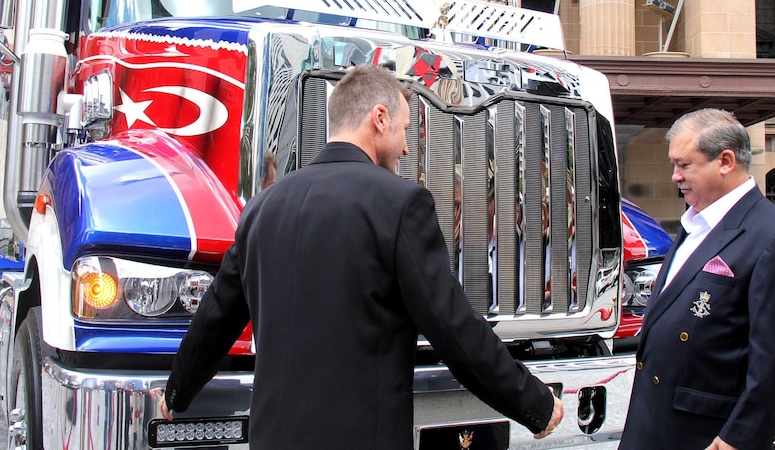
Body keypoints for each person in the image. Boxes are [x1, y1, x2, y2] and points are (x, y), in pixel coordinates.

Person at [156, 65, 563, 449]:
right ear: (379, 118)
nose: (406, 146)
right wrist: (535, 404)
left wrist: (177, 392)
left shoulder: (263, 207)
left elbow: (215, 317)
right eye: (405, 129)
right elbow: (454, 329)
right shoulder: (402, 203)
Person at [619, 108, 775, 450]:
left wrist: (740, 437)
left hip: (711, 435)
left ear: (725, 161)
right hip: (659, 424)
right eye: (672, 165)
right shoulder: (696, 223)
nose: (674, 177)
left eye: (684, 165)